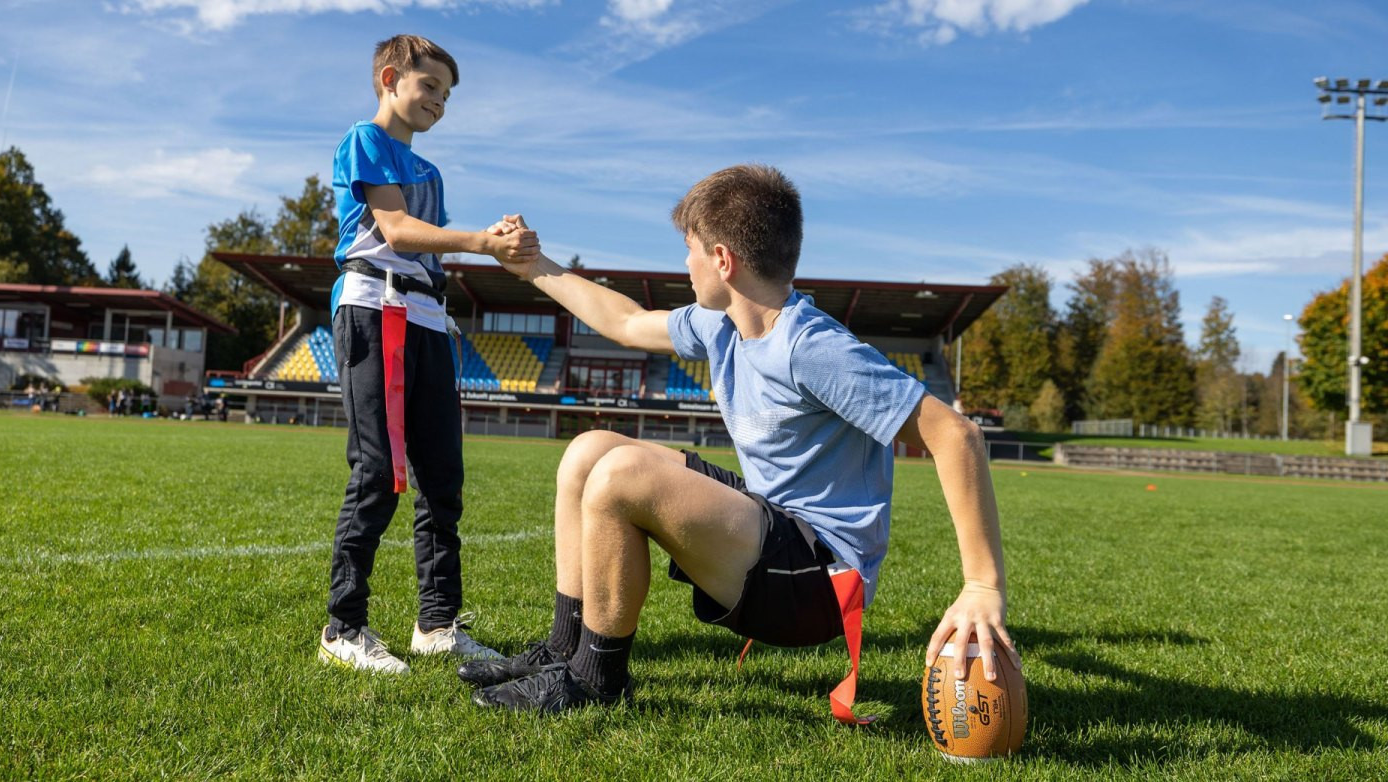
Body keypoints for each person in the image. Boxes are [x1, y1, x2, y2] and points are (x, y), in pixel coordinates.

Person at [459, 164, 1018, 713]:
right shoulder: (721, 323)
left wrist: (982, 586)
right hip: (772, 526)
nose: (685, 262)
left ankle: (595, 680)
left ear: (723, 260)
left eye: (691, 249)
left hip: (820, 581)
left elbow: (955, 434)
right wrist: (533, 266)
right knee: (589, 451)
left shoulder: (811, 347)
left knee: (619, 477)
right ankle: (562, 651)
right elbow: (626, 322)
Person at [317, 33, 541, 674]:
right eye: (430, 86)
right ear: (390, 78)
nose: (439, 102)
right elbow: (397, 232)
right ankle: (344, 626)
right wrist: (481, 240)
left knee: (442, 479)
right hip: (374, 309)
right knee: (380, 472)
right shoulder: (366, 139)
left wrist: (496, 238)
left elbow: (431, 248)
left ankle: (437, 625)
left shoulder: (431, 174)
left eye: (446, 93)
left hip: (427, 318)